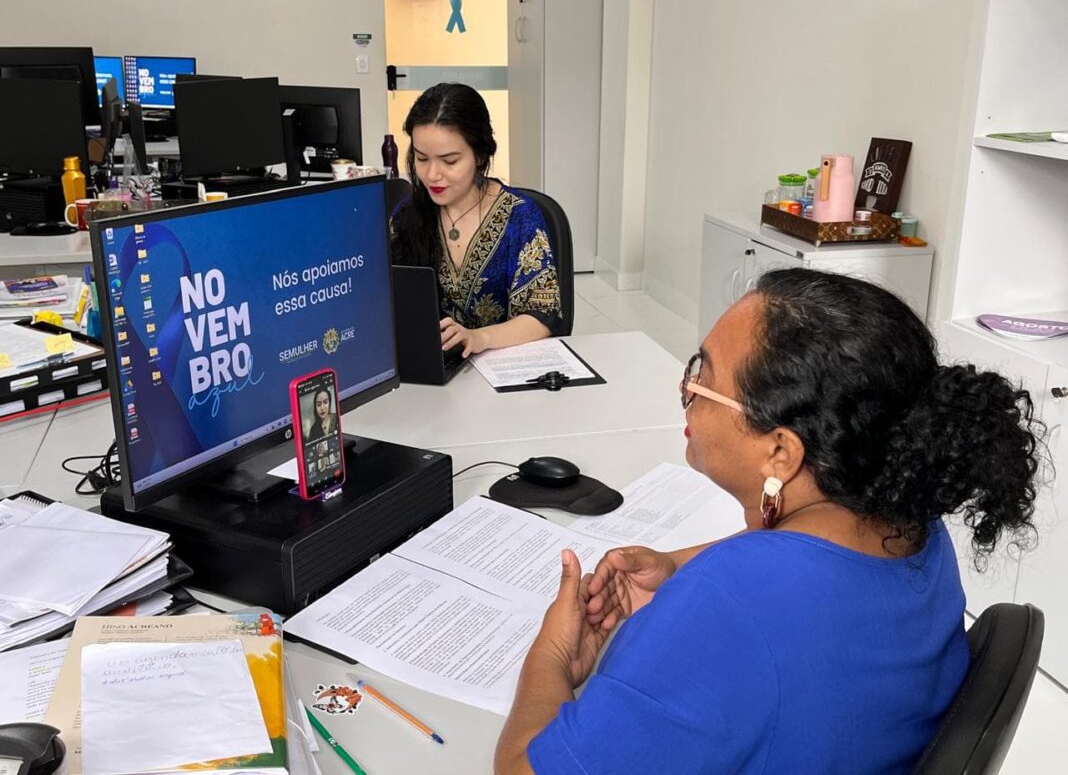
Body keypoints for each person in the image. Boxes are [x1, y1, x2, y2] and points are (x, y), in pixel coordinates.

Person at [495, 269, 1042, 775]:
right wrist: (676, 566)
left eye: (701, 379)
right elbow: (796, 556)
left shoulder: (730, 605)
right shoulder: (911, 520)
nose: (686, 393)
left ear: (781, 452)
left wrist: (553, 657)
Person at [390, 83, 563, 358]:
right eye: (422, 159)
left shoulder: (520, 217)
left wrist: (479, 338)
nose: (432, 175)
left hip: (503, 363)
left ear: (480, 155)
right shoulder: (405, 216)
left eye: (449, 161)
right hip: (433, 372)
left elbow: (542, 315)